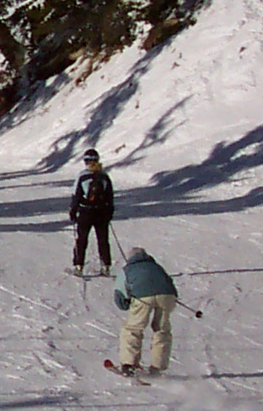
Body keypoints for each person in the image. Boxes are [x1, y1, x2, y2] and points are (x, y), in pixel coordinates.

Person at [111, 246, 181, 376]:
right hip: (167, 296)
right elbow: (170, 284)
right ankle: (157, 367)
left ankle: (129, 364)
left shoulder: (127, 270)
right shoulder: (157, 267)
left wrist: (126, 305)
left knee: (133, 328)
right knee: (162, 330)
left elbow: (119, 294)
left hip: (143, 298)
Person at [69, 148, 114, 274]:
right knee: (103, 239)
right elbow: (109, 196)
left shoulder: (82, 176)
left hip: (85, 212)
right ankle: (106, 266)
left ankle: (79, 266)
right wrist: (109, 212)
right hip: (101, 212)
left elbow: (76, 194)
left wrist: (73, 210)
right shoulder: (104, 176)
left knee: (82, 239)